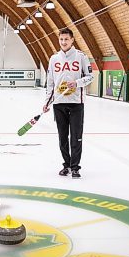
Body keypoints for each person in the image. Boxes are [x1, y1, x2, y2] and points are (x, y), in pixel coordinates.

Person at [43, 28, 94, 179]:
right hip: (59, 104)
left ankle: (75, 167)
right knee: (63, 137)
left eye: (66, 39)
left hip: (76, 104)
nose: (63, 42)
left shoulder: (81, 57)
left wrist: (77, 83)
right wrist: (47, 102)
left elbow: (90, 77)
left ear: (72, 40)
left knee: (76, 137)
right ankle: (66, 164)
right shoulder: (53, 59)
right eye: (61, 39)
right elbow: (50, 83)